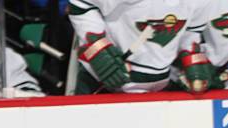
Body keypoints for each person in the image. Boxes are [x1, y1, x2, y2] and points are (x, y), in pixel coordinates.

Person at [68, 0, 215, 94]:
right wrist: (98, 48)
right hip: (104, 82)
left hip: (160, 85)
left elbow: (191, 29)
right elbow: (80, 5)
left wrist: (192, 57)